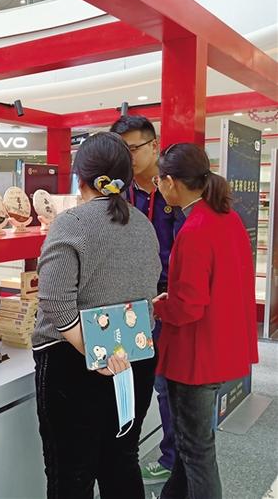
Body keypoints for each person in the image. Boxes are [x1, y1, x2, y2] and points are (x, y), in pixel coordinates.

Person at [32, 132, 162, 499]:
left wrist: (96, 352)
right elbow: (148, 290)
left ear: (81, 177)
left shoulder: (72, 223)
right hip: (134, 359)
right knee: (122, 460)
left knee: (72, 473)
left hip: (73, 364)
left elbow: (55, 301)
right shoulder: (143, 224)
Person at [151, 143, 258, 499]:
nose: (158, 186)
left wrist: (160, 307)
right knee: (191, 446)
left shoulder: (194, 228)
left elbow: (189, 307)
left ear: (171, 182)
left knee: (196, 451)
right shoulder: (227, 219)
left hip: (195, 356)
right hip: (223, 345)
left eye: (159, 179)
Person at [110, 115, 184, 484]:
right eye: (120, 150)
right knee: (127, 379)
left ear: (154, 146)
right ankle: (122, 460)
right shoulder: (118, 190)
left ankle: (173, 458)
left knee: (167, 385)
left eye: (133, 148)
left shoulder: (174, 187)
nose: (127, 157)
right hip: (126, 297)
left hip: (167, 297)